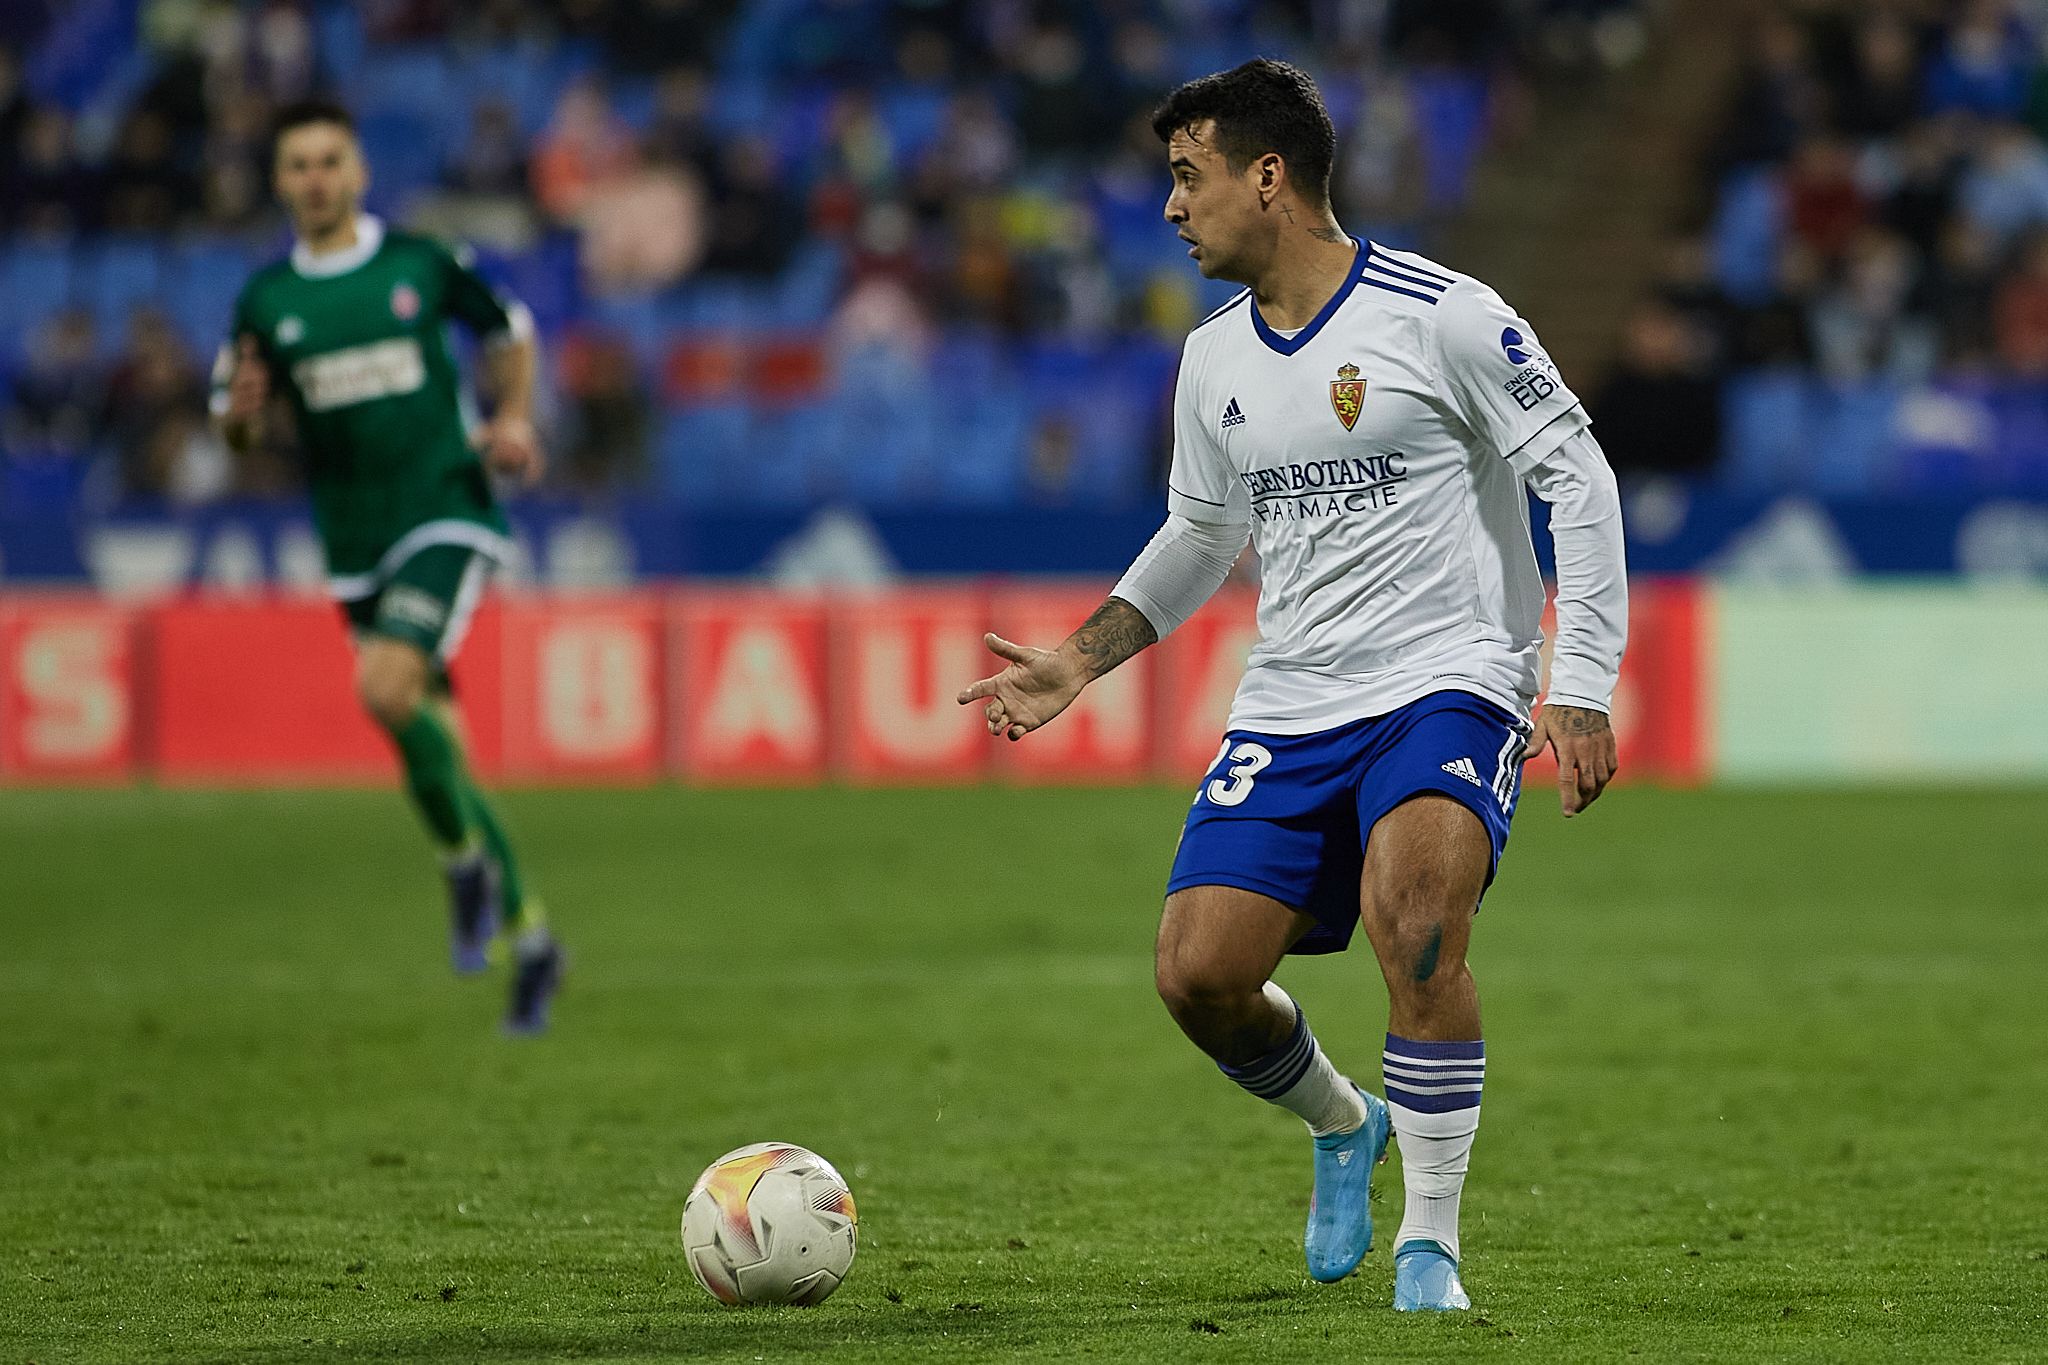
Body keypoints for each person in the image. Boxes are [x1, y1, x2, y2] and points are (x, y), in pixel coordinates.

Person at [957, 59, 1626, 1312]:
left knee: (1415, 919)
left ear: (1266, 177)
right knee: (1195, 973)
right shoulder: (1210, 359)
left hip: (1451, 678)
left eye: (1186, 177)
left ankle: (1430, 1245)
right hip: (1292, 700)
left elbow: (1575, 480)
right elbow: (1201, 535)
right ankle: (1340, 1122)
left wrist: (1576, 679)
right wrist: (1079, 657)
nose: (1169, 209)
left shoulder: (1443, 316)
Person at [212, 99, 564, 1035]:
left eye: (331, 160)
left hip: (446, 507)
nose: (316, 178)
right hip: (353, 538)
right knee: (428, 734)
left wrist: (516, 415)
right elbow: (236, 417)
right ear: (280, 181)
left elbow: (511, 326)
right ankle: (528, 934)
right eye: (298, 165)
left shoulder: (419, 262)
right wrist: (242, 413)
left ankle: (461, 868)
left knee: (383, 684)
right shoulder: (267, 300)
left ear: (359, 171)